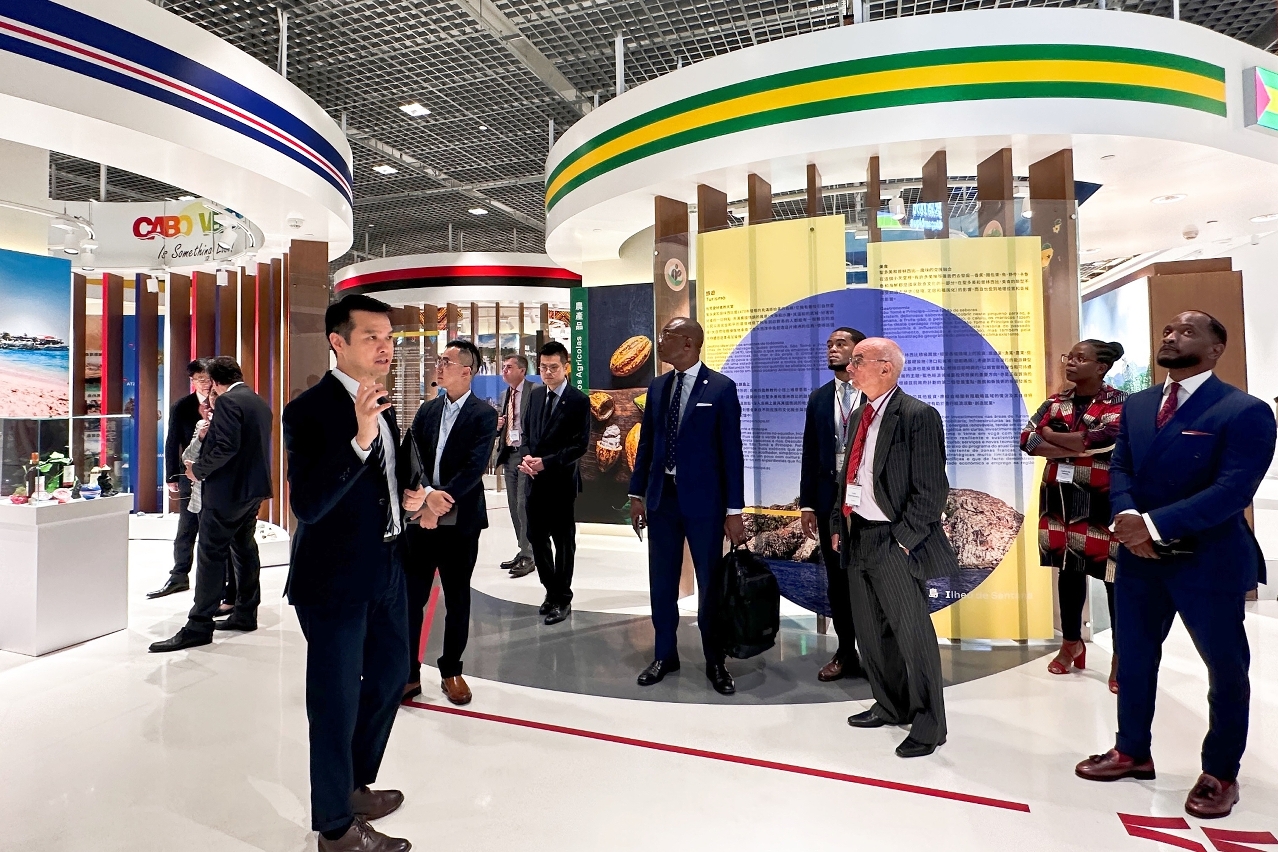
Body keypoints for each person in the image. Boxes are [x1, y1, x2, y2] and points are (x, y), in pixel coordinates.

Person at [1075, 311, 1276, 820]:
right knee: (1134, 658)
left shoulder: (1244, 411)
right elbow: (1121, 467)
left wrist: (1153, 526)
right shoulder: (1140, 405)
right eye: (1168, 329)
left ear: (1215, 349)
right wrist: (1128, 519)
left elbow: (1232, 491)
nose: (1171, 336)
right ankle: (1131, 751)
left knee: (1225, 669)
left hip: (1208, 560)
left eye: (1187, 331)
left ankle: (1220, 772)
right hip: (1140, 560)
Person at [280, 294, 414, 852]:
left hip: (387, 565)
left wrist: (413, 500)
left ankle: (353, 785)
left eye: (389, 338)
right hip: (333, 578)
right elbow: (307, 505)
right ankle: (335, 828)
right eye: (371, 337)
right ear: (337, 342)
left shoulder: (382, 401)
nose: (384, 347)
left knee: (390, 678)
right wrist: (359, 439)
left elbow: (384, 484)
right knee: (334, 702)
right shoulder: (308, 411)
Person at [834, 337, 958, 759]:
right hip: (859, 535)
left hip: (894, 540)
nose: (851, 367)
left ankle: (929, 725)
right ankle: (891, 705)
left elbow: (931, 489)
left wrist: (905, 540)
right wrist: (839, 523)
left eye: (858, 360)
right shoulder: (859, 413)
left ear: (885, 367)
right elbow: (848, 477)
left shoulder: (918, 416)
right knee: (871, 632)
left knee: (912, 634)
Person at [628, 317, 747, 695]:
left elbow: (732, 453)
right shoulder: (658, 386)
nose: (659, 341)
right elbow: (647, 444)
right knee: (661, 581)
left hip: (705, 503)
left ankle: (715, 660)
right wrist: (636, 494)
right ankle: (665, 654)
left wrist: (734, 510)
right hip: (662, 499)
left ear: (688, 343)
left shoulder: (722, 388)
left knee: (710, 583)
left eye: (666, 336)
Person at [1021, 340, 1127, 692]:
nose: (1071, 362)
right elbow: (1027, 439)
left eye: (1081, 358)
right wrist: (1069, 442)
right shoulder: (1055, 401)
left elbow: (1103, 440)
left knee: (1112, 574)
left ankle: (1122, 655)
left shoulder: (1119, 401)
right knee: (1067, 569)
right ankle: (1071, 644)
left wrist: (1052, 436)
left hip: (1101, 496)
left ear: (1101, 367)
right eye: (1070, 356)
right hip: (1060, 497)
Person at [149, 356, 272, 652]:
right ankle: (245, 613)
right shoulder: (257, 401)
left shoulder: (229, 401)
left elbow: (227, 447)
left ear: (215, 381)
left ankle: (198, 625)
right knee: (244, 549)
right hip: (252, 490)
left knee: (210, 554)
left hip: (227, 492)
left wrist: (198, 470)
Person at [402, 338, 497, 706]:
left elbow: (474, 468)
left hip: (461, 521)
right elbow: (412, 455)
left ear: (466, 371)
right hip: (421, 518)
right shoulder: (427, 410)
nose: (438, 366)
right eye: (439, 360)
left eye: (446, 361)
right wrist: (427, 496)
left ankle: (451, 671)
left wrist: (438, 503)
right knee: (412, 598)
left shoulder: (483, 415)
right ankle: (409, 672)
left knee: (457, 598)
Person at [799, 327, 866, 683]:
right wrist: (808, 504)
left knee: (871, 580)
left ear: (858, 351)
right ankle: (845, 652)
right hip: (828, 503)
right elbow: (810, 453)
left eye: (841, 344)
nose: (832, 349)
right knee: (837, 583)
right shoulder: (819, 398)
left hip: (869, 502)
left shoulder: (874, 393)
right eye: (829, 345)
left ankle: (878, 655)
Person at [521, 341, 591, 625]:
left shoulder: (578, 400)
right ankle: (551, 591)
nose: (547, 372)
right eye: (543, 367)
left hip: (560, 483)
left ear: (566, 367)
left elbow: (579, 445)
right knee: (536, 538)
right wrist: (527, 457)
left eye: (553, 367)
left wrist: (546, 462)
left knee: (563, 543)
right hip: (534, 481)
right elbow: (526, 433)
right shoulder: (536, 395)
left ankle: (563, 598)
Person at [148, 358, 211, 599]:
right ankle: (179, 576)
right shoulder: (182, 406)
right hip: (189, 473)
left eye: (208, 378)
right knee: (186, 526)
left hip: (216, 474)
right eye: (200, 379)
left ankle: (221, 578)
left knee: (215, 527)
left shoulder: (223, 403)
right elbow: (172, 441)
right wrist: (170, 475)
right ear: (192, 381)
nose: (205, 383)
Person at [495, 354, 536, 578]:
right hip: (509, 454)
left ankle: (530, 554)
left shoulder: (535, 391)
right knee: (512, 505)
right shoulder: (505, 395)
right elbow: (505, 425)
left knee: (523, 504)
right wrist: (498, 425)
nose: (504, 370)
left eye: (509, 367)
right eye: (504, 367)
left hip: (526, 455)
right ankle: (523, 550)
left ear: (522, 370)